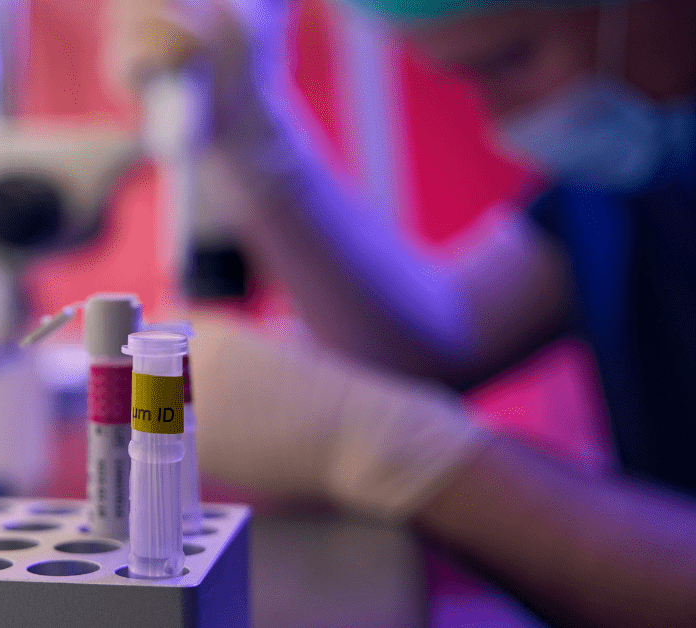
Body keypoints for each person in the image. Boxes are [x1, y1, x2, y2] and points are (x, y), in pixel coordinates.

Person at [108, 0, 696, 626]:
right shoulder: (641, 177)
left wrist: (391, 451)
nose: (501, 121)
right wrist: (251, 135)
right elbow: (449, 334)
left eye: (510, 58)